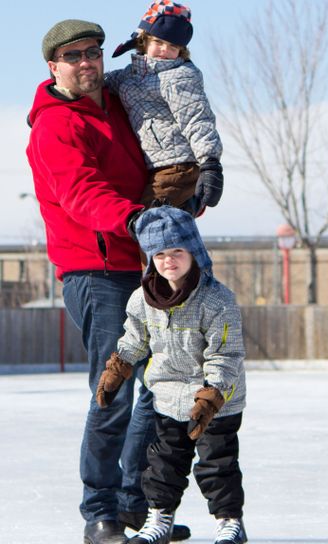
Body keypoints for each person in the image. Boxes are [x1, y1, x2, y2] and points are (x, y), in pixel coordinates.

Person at [26, 19, 190, 544]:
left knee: (160, 386)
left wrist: (185, 184)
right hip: (95, 272)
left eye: (92, 52)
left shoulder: (117, 104)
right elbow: (82, 193)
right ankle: (99, 511)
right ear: (53, 67)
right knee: (114, 390)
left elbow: (160, 134)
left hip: (143, 263)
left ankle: (131, 503)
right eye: (72, 56)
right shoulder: (56, 125)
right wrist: (138, 219)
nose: (86, 63)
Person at [96, 205, 247, 544]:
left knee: (216, 464)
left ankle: (229, 522)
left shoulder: (216, 299)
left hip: (216, 401)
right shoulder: (142, 299)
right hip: (168, 396)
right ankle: (160, 519)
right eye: (159, 254)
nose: (168, 261)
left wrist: (212, 395)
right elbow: (134, 339)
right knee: (163, 464)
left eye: (177, 251)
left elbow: (226, 352)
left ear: (194, 252)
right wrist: (119, 367)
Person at [105, 0, 223, 217]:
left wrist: (210, 163)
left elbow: (196, 118)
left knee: (151, 228)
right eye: (159, 42)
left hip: (178, 166)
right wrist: (56, 99)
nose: (164, 50)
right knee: (167, 235)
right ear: (144, 40)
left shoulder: (179, 76)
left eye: (173, 47)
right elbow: (101, 85)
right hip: (154, 167)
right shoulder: (130, 75)